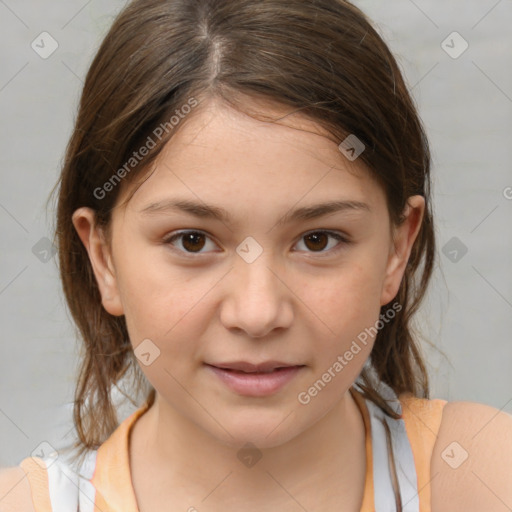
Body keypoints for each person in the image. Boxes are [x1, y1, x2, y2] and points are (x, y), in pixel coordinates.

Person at [1, 0, 511, 510]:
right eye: (192, 241)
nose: (258, 313)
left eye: (318, 240)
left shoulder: (483, 476)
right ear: (104, 259)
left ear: (398, 249)